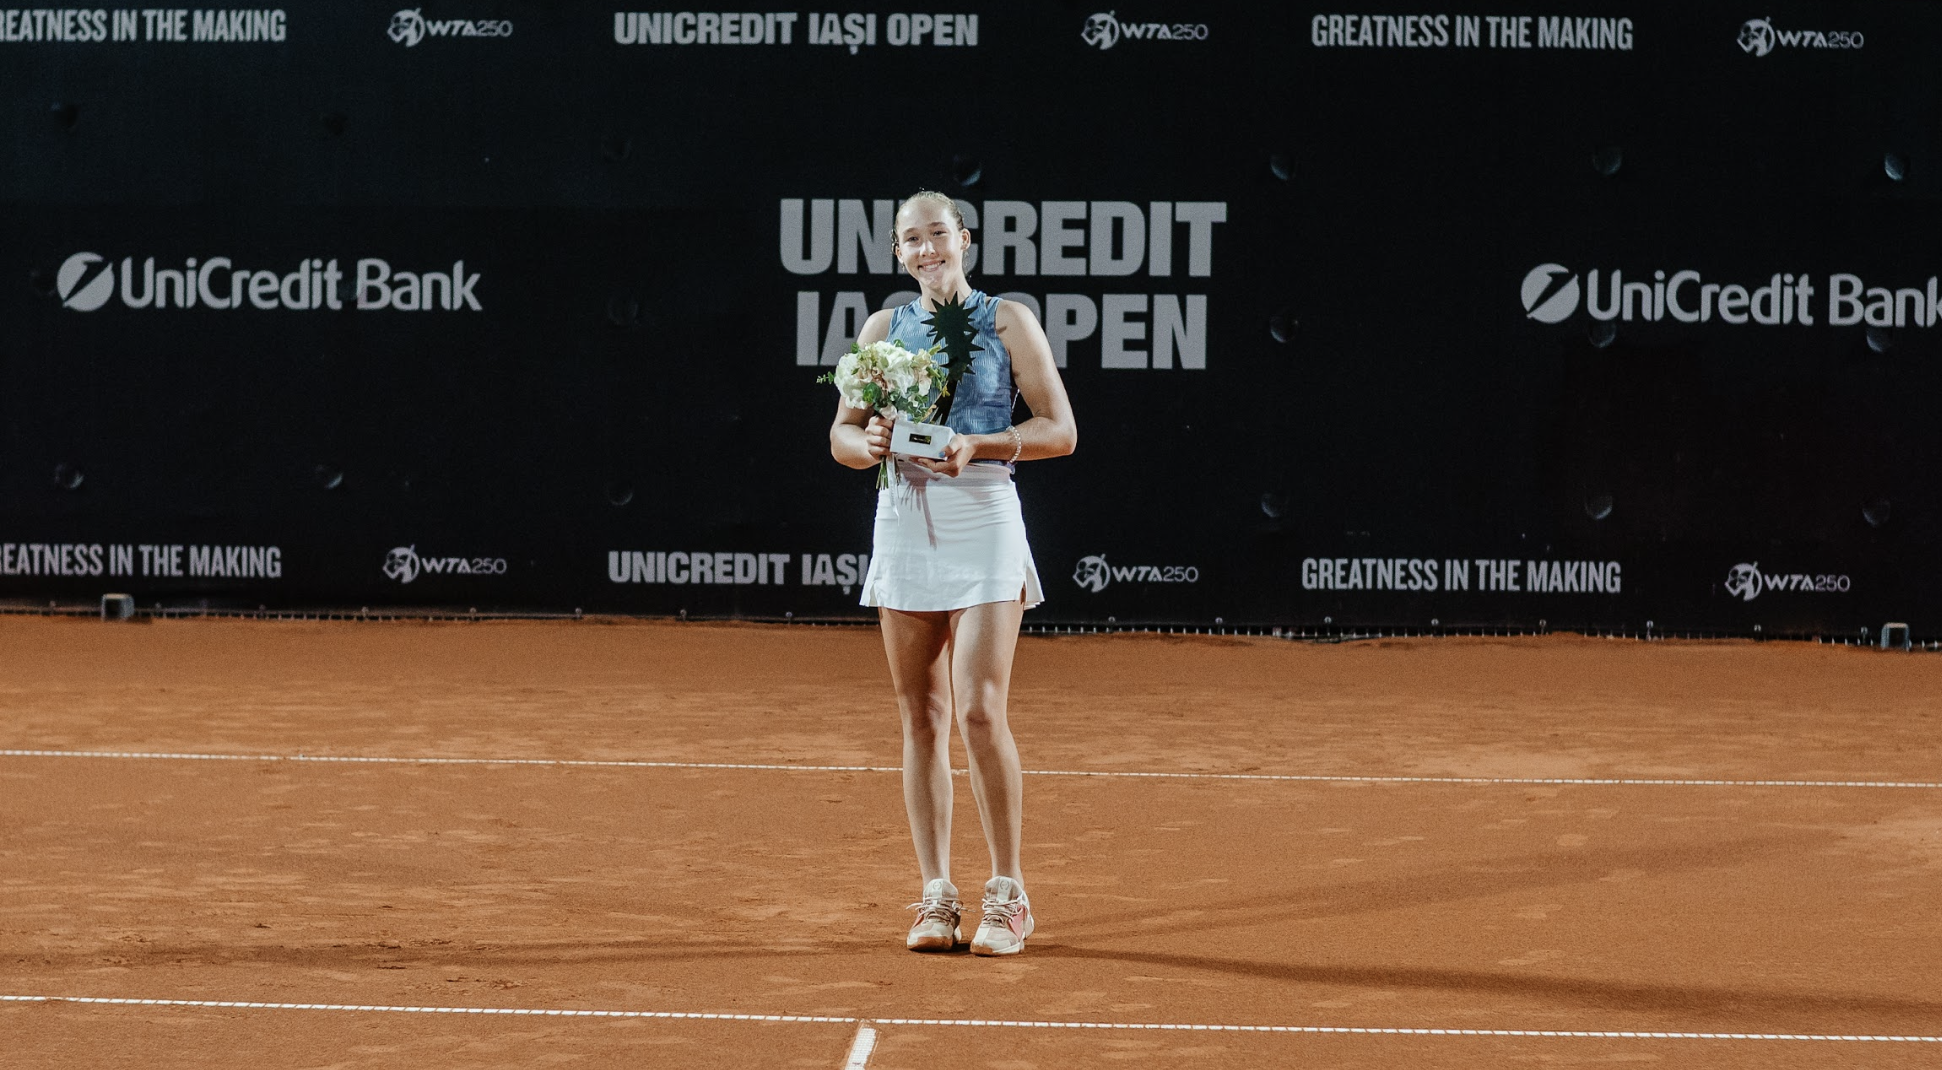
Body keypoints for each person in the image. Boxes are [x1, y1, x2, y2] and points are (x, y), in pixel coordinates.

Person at [827, 190, 1077, 955]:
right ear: (898, 252)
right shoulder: (879, 330)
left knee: (978, 709)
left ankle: (1008, 893)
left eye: (938, 233)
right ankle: (936, 893)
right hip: (904, 520)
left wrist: (986, 443)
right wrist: (865, 445)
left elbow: (1060, 431)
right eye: (911, 239)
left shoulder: (1009, 322)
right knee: (921, 716)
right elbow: (839, 433)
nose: (926, 248)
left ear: (964, 239)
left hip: (984, 516)